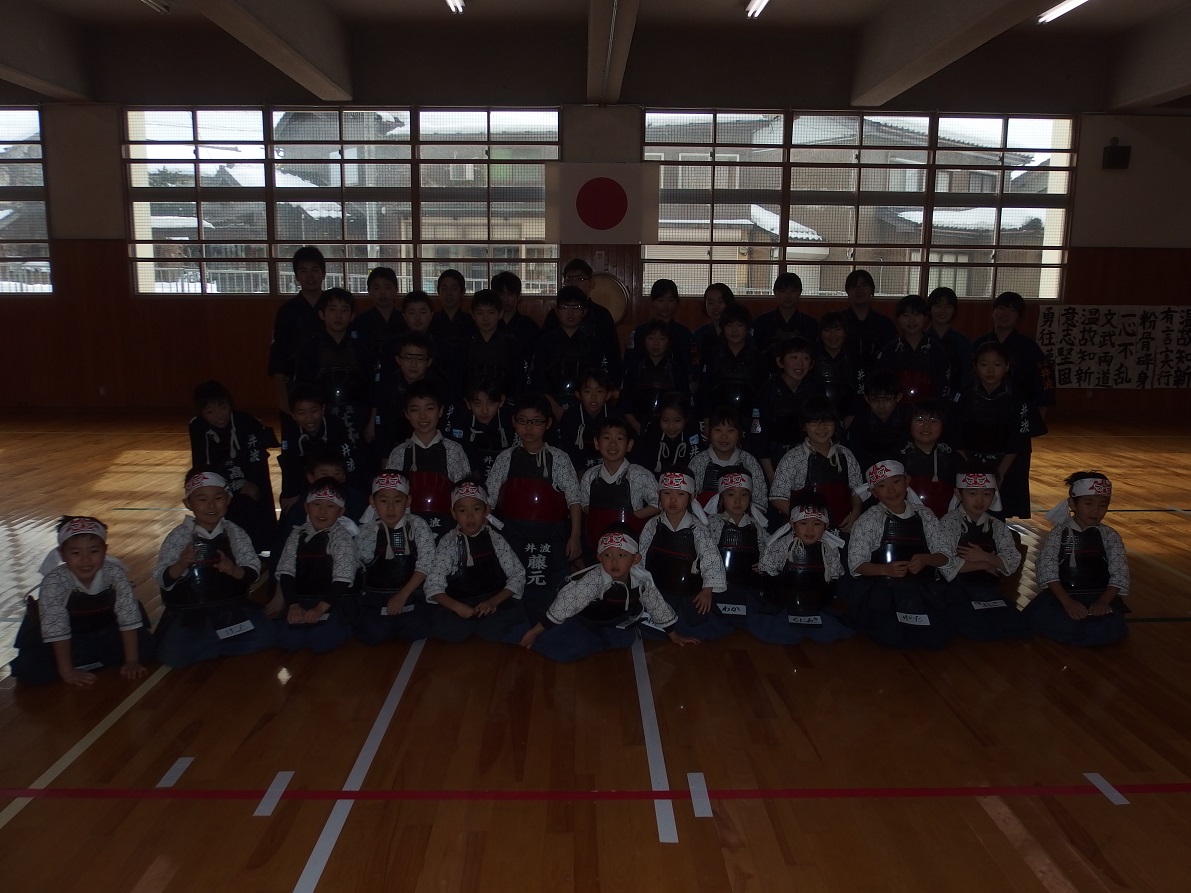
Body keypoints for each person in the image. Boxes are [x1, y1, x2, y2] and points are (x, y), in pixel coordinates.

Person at [517, 526, 698, 662]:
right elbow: (564, 605)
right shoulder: (593, 581)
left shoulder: (642, 579)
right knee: (570, 648)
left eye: (621, 555)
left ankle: (596, 637)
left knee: (627, 638)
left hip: (611, 620)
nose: (614, 562)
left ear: (636, 558)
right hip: (579, 617)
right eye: (607, 555)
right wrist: (534, 632)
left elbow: (656, 604)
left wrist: (673, 635)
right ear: (599, 558)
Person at [152, 469, 274, 668]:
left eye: (218, 498)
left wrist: (233, 570)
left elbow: (252, 570)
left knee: (267, 634)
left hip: (230, 607)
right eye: (202, 499)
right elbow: (161, 578)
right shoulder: (178, 536)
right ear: (188, 503)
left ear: (228, 499)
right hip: (188, 614)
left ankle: (208, 643)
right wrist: (181, 564)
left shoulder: (235, 533)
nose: (211, 505)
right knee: (171, 656)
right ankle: (218, 641)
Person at [10, 516, 152, 686]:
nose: (86, 559)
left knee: (146, 649)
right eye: (76, 553)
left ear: (105, 550)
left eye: (94, 551)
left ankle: (87, 661)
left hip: (103, 631)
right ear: (62, 554)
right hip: (63, 639)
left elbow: (128, 618)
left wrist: (131, 661)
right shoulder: (54, 582)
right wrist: (67, 672)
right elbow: (57, 628)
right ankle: (83, 662)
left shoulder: (115, 575)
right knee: (32, 670)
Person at [485, 393, 583, 623]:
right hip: (513, 533)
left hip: (551, 534)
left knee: (550, 587)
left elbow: (574, 500)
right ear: (514, 422)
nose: (529, 427)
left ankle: (551, 621)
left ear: (548, 423)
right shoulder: (505, 458)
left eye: (536, 421)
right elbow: (488, 502)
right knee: (515, 585)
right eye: (523, 420)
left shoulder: (559, 458)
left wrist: (575, 536)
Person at [845, 460, 958, 650]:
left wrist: (926, 559)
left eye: (896, 482)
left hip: (919, 588)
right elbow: (856, 564)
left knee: (936, 638)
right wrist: (885, 569)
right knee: (891, 636)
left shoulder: (925, 515)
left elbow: (946, 555)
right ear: (873, 492)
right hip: (882, 590)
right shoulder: (868, 521)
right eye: (882, 486)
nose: (891, 490)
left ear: (907, 481)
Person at [1024, 472, 1128, 646]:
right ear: (1073, 504)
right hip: (1062, 596)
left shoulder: (1110, 536)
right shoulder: (1058, 534)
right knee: (1057, 620)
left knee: (1108, 625)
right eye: (1089, 504)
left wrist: (1103, 602)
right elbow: (1047, 570)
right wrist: (1067, 603)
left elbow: (1120, 572)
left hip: (1098, 596)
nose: (1096, 511)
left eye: (1103, 505)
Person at [425, 479, 527, 643]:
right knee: (446, 628)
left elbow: (518, 575)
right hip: (460, 602)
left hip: (493, 601)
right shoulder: (448, 542)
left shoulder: (496, 539)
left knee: (505, 628)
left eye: (476, 509)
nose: (470, 516)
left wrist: (493, 602)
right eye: (462, 510)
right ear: (453, 513)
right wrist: (457, 607)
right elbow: (433, 584)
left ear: (487, 510)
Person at [188, 380, 278, 554]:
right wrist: (235, 483)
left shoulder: (245, 422)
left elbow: (255, 460)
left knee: (255, 508)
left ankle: (259, 553)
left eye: (223, 407)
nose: (219, 415)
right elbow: (204, 464)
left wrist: (249, 484)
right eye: (210, 411)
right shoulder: (198, 426)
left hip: (249, 474)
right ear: (201, 413)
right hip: (221, 478)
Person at [638, 471, 731, 640]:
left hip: (688, 591)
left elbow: (712, 560)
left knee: (701, 630)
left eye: (680, 494)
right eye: (667, 493)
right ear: (659, 495)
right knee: (650, 633)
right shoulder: (652, 525)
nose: (673, 500)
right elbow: (642, 556)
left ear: (691, 497)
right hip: (659, 590)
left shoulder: (698, 529)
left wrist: (707, 591)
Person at [939, 471, 1030, 641]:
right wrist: (984, 564)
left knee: (1016, 626)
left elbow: (1012, 559)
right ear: (958, 493)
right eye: (972, 493)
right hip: (957, 589)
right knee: (976, 627)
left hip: (988, 588)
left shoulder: (997, 526)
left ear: (994, 495)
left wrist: (984, 557)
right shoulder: (949, 522)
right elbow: (945, 562)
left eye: (987, 494)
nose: (980, 500)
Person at [273, 478, 359, 653]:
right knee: (288, 641)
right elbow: (286, 572)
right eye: (317, 504)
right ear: (306, 507)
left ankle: (345, 625)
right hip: (302, 599)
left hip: (333, 601)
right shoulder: (297, 534)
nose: (322, 511)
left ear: (341, 512)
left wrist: (320, 608)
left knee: (320, 642)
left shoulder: (342, 538)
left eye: (330, 506)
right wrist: (293, 605)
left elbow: (342, 580)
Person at [352, 471, 437, 644]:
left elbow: (427, 563)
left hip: (412, 593)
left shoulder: (418, 525)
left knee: (417, 629)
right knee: (372, 634)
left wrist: (402, 595)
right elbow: (357, 565)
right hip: (376, 596)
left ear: (408, 501)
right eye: (383, 501)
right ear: (372, 501)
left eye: (397, 501)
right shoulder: (365, 531)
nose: (390, 508)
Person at [751, 500, 852, 644]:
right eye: (803, 523)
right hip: (784, 603)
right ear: (793, 524)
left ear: (826, 526)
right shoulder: (781, 545)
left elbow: (834, 574)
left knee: (827, 633)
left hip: (817, 604)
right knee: (779, 631)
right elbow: (768, 569)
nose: (810, 529)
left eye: (817, 524)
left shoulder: (830, 549)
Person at [952, 341, 1032, 519]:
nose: (990, 370)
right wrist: (968, 465)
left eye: (997, 365)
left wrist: (1001, 471)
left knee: (998, 511)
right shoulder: (963, 395)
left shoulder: (1017, 397)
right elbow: (954, 433)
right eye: (984, 364)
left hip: (1003, 462)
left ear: (1006, 366)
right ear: (975, 366)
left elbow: (1018, 439)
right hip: (968, 460)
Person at [386, 381, 473, 535]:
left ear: (440, 411)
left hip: (447, 528)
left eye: (429, 408)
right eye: (415, 410)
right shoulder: (399, 453)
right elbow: (389, 495)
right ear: (406, 413)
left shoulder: (453, 450)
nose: (423, 416)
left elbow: (465, 494)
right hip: (409, 529)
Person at [293, 287, 375, 446]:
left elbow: (372, 389)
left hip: (357, 415)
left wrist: (371, 422)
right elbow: (302, 389)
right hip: (322, 417)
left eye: (344, 310)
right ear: (321, 314)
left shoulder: (362, 349)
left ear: (352, 316)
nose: (338, 315)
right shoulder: (309, 349)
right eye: (332, 309)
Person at [770, 398, 864, 530]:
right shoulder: (793, 458)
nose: (822, 427)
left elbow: (858, 490)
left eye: (827, 421)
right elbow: (777, 497)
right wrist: (805, 521)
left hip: (841, 527)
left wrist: (855, 513)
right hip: (805, 532)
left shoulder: (846, 455)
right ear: (804, 426)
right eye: (814, 422)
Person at [369, 331, 454, 461]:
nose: (413, 364)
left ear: (429, 361)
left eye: (419, 359)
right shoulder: (389, 385)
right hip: (398, 446)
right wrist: (385, 459)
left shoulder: (440, 385)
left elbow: (447, 421)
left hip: (435, 447)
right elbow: (385, 427)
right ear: (398, 360)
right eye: (407, 358)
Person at [579, 418, 660, 553]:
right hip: (598, 547)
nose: (613, 444)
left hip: (630, 548)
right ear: (597, 443)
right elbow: (584, 504)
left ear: (629, 445)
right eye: (606, 438)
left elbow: (660, 502)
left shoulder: (639, 474)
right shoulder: (590, 475)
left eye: (619, 439)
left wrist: (636, 515)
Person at [277, 383, 361, 510]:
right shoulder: (290, 428)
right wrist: (291, 493)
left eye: (314, 411)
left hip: (336, 481)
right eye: (301, 413)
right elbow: (289, 462)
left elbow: (348, 462)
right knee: (290, 508)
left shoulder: (336, 425)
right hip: (305, 480)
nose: (309, 418)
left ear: (323, 409)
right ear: (293, 414)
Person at [753, 336, 826, 480]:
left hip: (810, 454)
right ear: (780, 362)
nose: (800, 363)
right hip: (774, 457)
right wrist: (772, 477)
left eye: (805, 358)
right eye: (794, 357)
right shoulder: (766, 391)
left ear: (812, 364)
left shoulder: (816, 389)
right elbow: (759, 439)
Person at [704, 468, 770, 627]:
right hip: (718, 586)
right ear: (721, 497)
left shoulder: (756, 526)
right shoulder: (710, 524)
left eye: (744, 495)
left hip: (749, 586)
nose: (738, 501)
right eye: (731, 494)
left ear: (750, 497)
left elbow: (771, 548)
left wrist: (766, 562)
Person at [532, 286, 608, 420]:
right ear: (557, 311)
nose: (570, 313)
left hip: (587, 405)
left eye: (576, 308)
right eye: (565, 307)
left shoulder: (593, 342)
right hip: (550, 405)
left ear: (584, 312)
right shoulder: (546, 342)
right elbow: (538, 379)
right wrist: (555, 408)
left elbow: (599, 378)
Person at [541, 259, 622, 381]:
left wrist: (613, 384)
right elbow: (543, 352)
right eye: (569, 280)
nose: (574, 284)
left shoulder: (602, 315)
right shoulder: (554, 315)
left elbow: (612, 354)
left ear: (592, 283)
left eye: (580, 279)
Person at [268, 245, 326, 416]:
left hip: (329, 384)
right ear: (296, 277)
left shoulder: (333, 306)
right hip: (296, 384)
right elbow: (278, 355)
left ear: (323, 273)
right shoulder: (287, 311)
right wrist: (282, 396)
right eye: (303, 271)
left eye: (315, 270)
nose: (310, 276)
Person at [446, 287, 527, 405]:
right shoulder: (463, 346)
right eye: (480, 313)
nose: (485, 318)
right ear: (473, 315)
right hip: (470, 406)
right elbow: (456, 383)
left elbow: (519, 383)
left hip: (505, 406)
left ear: (500, 313)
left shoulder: (511, 345)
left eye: (491, 312)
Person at [874, 294, 951, 405]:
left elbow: (943, 384)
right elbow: (881, 384)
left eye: (917, 315)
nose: (911, 320)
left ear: (926, 317)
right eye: (906, 315)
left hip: (928, 409)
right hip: (896, 408)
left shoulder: (936, 350)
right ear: (898, 319)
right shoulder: (888, 351)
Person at [697, 303, 767, 422]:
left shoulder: (758, 357)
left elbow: (764, 392)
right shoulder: (713, 356)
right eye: (729, 325)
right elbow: (705, 390)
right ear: (723, 328)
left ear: (747, 328)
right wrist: (707, 419)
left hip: (750, 418)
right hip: (719, 419)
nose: (734, 330)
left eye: (739, 325)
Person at [620, 320, 689, 436]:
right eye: (651, 338)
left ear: (669, 342)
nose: (656, 343)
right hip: (638, 427)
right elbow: (625, 404)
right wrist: (639, 428)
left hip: (670, 429)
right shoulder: (634, 369)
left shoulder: (677, 370)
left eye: (662, 339)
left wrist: (671, 427)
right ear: (644, 341)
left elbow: (685, 405)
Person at [689, 406, 768, 506]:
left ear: (739, 433)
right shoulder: (698, 461)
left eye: (730, 430)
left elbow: (759, 500)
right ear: (708, 431)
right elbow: (689, 498)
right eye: (718, 430)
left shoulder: (749, 461)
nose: (724, 436)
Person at [899, 399, 961, 518]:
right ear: (909, 424)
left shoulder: (953, 458)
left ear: (942, 426)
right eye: (920, 420)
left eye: (934, 421)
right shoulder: (898, 458)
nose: (926, 426)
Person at [553, 368, 621, 475]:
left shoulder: (615, 416)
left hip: (610, 470)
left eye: (599, 391)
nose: (593, 397)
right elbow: (568, 451)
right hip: (578, 472)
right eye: (587, 391)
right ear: (578, 394)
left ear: (608, 395)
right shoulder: (570, 417)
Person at [451, 377, 514, 484]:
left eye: (491, 403)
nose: (484, 411)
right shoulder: (460, 419)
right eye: (477, 403)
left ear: (501, 401)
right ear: (468, 403)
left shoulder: (512, 417)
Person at [846, 370, 910, 472]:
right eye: (875, 400)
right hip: (869, 473)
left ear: (898, 397)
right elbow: (857, 456)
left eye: (887, 399)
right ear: (867, 399)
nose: (881, 406)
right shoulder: (860, 420)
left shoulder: (908, 418)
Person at [630, 392, 705, 477]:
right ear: (659, 418)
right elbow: (644, 464)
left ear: (685, 419)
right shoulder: (652, 432)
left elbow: (697, 466)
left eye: (677, 421)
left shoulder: (692, 433)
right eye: (665, 420)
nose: (671, 426)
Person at [840, 269, 897, 374]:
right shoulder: (838, 321)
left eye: (864, 285)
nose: (859, 290)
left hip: (876, 379)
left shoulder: (885, 324)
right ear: (847, 292)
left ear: (872, 290)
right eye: (854, 286)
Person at [625, 278, 692, 368]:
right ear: (652, 302)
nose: (665, 305)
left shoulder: (684, 333)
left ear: (677, 302)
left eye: (670, 300)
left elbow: (689, 364)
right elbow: (629, 362)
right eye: (660, 300)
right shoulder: (640, 331)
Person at [812, 310, 864, 423]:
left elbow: (860, 390)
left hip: (850, 418)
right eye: (827, 330)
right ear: (820, 334)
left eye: (838, 329)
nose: (833, 335)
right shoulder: (811, 358)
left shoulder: (855, 358)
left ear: (845, 333)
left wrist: (850, 417)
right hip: (816, 417)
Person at [752, 272, 818, 357]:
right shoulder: (761, 322)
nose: (788, 296)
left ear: (800, 292)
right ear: (775, 292)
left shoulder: (810, 324)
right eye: (783, 291)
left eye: (793, 291)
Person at [352, 266, 407, 363]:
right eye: (377, 288)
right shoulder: (361, 321)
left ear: (396, 290)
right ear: (369, 291)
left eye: (387, 287)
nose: (382, 293)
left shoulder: (405, 319)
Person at [926, 287, 971, 400]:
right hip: (925, 400)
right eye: (938, 306)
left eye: (948, 306)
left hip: (955, 400)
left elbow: (966, 375)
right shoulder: (922, 339)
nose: (943, 311)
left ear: (954, 310)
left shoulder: (962, 341)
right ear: (930, 308)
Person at [492, 270, 542, 355]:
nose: (505, 299)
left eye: (510, 294)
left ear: (519, 296)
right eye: (501, 294)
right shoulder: (488, 323)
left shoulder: (529, 325)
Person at [691, 282, 736, 378]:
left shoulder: (738, 333)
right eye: (710, 303)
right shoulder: (699, 334)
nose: (715, 307)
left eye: (720, 302)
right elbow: (694, 364)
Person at [428, 268, 477, 349]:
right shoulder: (431, 321)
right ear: (438, 291)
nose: (449, 293)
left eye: (454, 288)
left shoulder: (472, 322)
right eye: (444, 288)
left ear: (463, 291)